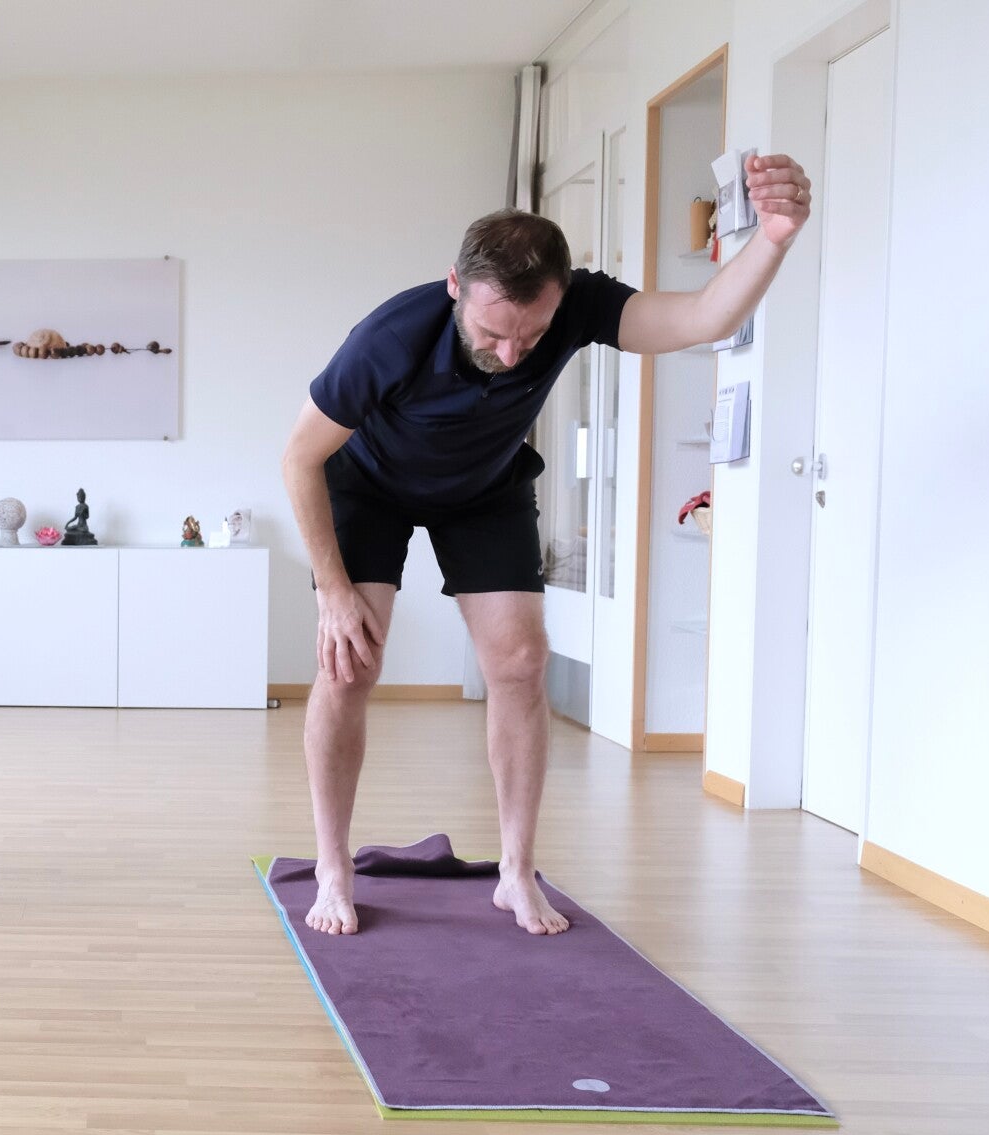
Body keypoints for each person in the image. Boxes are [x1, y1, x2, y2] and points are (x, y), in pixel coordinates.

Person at [282, 154, 813, 938]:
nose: (512, 353)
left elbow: (704, 318)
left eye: (531, 335)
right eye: (493, 332)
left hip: (483, 488)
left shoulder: (575, 305)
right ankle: (334, 867)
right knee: (348, 664)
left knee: (522, 663)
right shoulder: (389, 338)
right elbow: (300, 458)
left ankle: (515, 870)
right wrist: (333, 592)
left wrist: (773, 237)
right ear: (456, 286)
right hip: (368, 485)